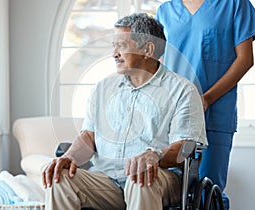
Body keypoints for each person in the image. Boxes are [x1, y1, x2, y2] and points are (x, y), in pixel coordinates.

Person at [42, 13, 207, 210]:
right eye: (114, 46)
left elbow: (184, 146)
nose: (114, 54)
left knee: (142, 176)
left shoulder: (182, 90)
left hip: (158, 179)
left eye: (121, 45)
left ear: (148, 49)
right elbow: (89, 137)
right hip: (106, 181)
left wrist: (155, 155)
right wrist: (69, 157)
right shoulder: (103, 88)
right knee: (59, 177)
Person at [156, 0, 255, 209]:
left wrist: (207, 98)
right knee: (173, 191)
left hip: (215, 111)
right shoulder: (165, 11)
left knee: (208, 191)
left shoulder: (234, 5)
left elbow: (245, 60)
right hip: (173, 115)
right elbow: (159, 63)